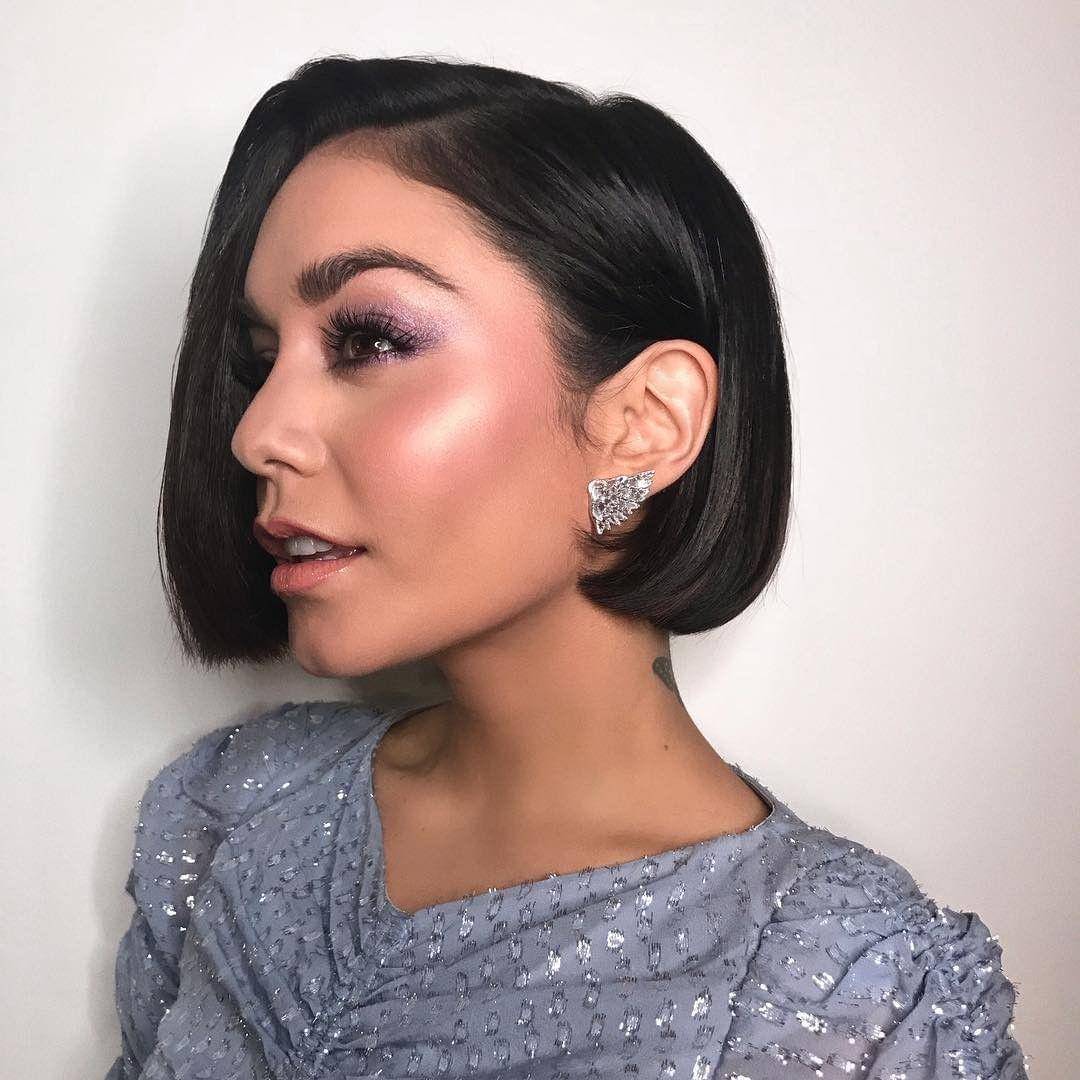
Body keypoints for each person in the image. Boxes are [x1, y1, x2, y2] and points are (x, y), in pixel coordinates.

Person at [104, 54, 1029, 1079]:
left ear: (643, 424)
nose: (256, 434)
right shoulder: (236, 811)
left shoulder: (852, 991)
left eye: (368, 340)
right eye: (259, 360)